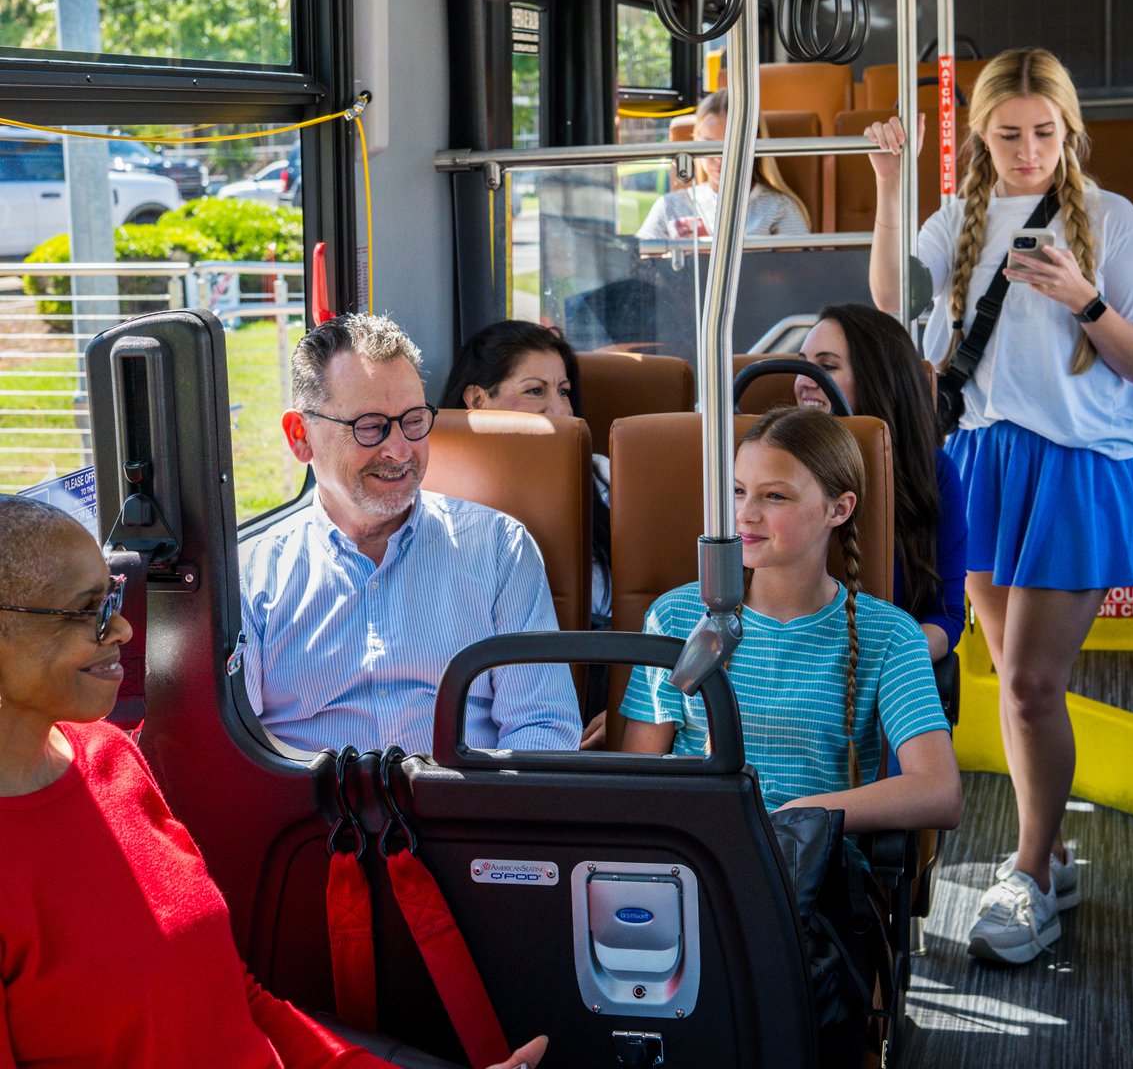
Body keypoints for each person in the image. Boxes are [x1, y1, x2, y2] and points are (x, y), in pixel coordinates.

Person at [0, 495, 546, 1069]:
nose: (122, 627)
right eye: (87, 610)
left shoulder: (114, 760)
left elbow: (236, 1002)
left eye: (112, 596)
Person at [865, 47, 1133, 964]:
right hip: (983, 460)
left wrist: (1082, 298)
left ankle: (1029, 870)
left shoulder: (1112, 222)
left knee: (1032, 685)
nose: (1029, 150)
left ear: (1067, 131)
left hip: (1074, 466)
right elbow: (892, 308)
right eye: (1009, 135)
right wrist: (887, 186)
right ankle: (1054, 854)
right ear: (982, 139)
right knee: (1015, 680)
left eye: (1044, 133)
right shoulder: (959, 219)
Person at [240, 313, 582, 756]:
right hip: (309, 820)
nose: (400, 451)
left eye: (414, 421)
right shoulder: (250, 574)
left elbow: (543, 726)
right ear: (300, 436)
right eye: (369, 426)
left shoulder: (499, 549)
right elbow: (234, 749)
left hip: (467, 816)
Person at [619, 409, 961, 844]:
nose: (745, 514)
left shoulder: (890, 636)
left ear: (839, 509)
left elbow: (940, 792)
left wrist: (799, 816)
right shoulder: (675, 615)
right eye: (738, 492)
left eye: (775, 496)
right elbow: (638, 782)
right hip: (695, 852)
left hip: (806, 868)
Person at [793, 302, 967, 663]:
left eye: (826, 367)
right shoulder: (767, 467)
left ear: (877, 379)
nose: (805, 381)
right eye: (802, 364)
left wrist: (888, 664)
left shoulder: (932, 473)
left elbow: (945, 616)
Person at [439, 320, 612, 627]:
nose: (559, 409)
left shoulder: (604, 478)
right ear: (478, 399)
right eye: (535, 390)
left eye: (563, 391)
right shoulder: (435, 489)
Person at [637, 89, 812, 241]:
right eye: (709, 145)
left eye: (732, 146)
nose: (720, 159)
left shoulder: (778, 208)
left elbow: (799, 272)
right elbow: (638, 267)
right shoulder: (670, 206)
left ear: (753, 144)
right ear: (695, 142)